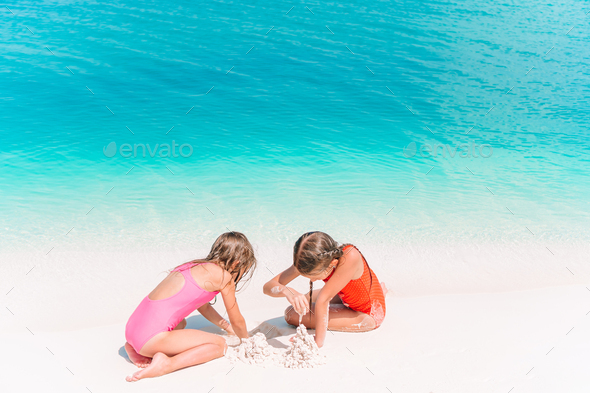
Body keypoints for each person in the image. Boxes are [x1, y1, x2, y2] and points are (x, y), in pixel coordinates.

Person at [124, 231, 256, 381]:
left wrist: (227, 327)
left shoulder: (192, 265)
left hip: (132, 330)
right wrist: (247, 341)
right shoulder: (224, 277)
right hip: (149, 338)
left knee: (181, 323)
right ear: (237, 263)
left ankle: (135, 348)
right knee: (220, 345)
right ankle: (167, 363)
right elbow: (237, 320)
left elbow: (203, 306)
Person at [263, 231, 387, 347]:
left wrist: (317, 341)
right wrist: (287, 291)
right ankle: (381, 291)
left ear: (332, 264)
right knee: (303, 300)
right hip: (347, 296)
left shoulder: (350, 256)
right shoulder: (310, 259)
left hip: (369, 313)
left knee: (290, 314)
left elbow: (323, 300)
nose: (312, 281)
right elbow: (268, 287)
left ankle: (380, 295)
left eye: (314, 277)